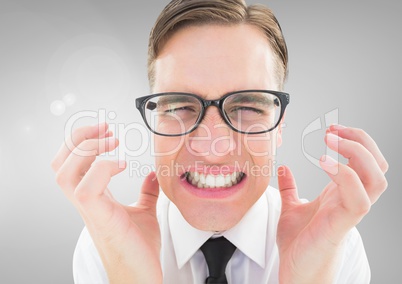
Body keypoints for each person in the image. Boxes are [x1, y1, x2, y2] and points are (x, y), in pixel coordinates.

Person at [51, 0, 388, 283]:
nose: (212, 147)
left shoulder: (335, 245)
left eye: (247, 107)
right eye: (181, 106)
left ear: (279, 124)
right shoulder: (105, 243)